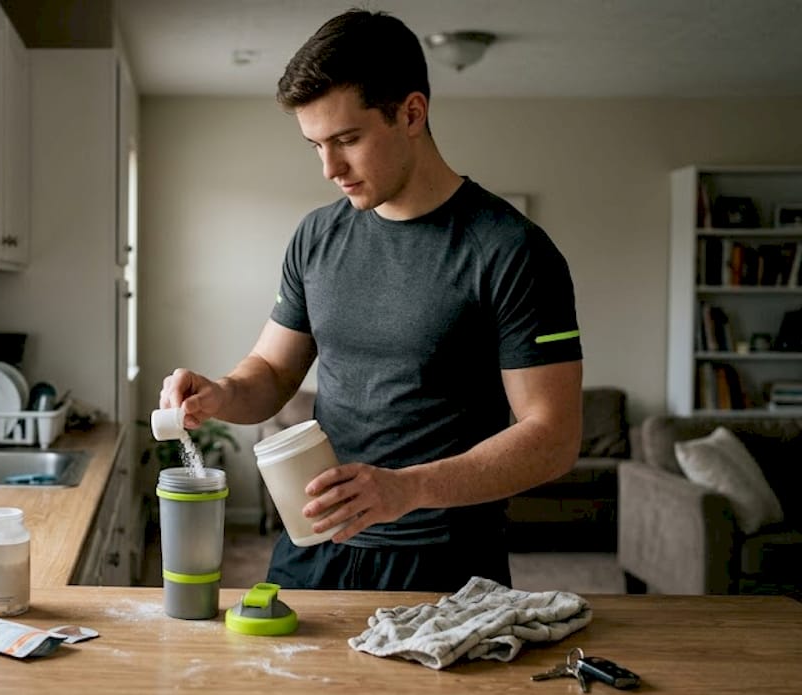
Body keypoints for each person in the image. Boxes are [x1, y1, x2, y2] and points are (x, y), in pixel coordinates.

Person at [157, 10, 584, 592]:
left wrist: (408, 488)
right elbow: (275, 369)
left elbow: (554, 438)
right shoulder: (316, 237)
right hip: (312, 544)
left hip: (444, 561)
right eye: (315, 146)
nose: (330, 168)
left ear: (411, 112)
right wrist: (222, 393)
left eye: (347, 140)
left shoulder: (511, 250)